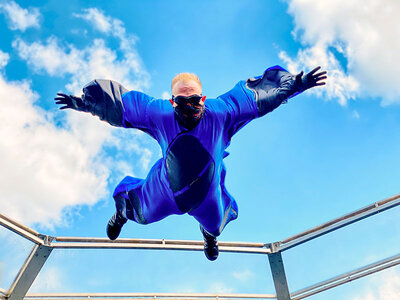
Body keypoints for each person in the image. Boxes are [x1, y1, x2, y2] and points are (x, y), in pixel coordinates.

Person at [55, 65, 327, 261]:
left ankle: (209, 236)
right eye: (182, 101)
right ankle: (121, 214)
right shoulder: (159, 114)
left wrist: (298, 84)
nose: (188, 106)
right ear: (172, 100)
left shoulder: (221, 112)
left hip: (205, 193)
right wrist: (86, 104)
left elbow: (261, 98)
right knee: (142, 214)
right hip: (166, 189)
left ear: (203, 99)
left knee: (215, 220)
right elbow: (121, 106)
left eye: (194, 99)